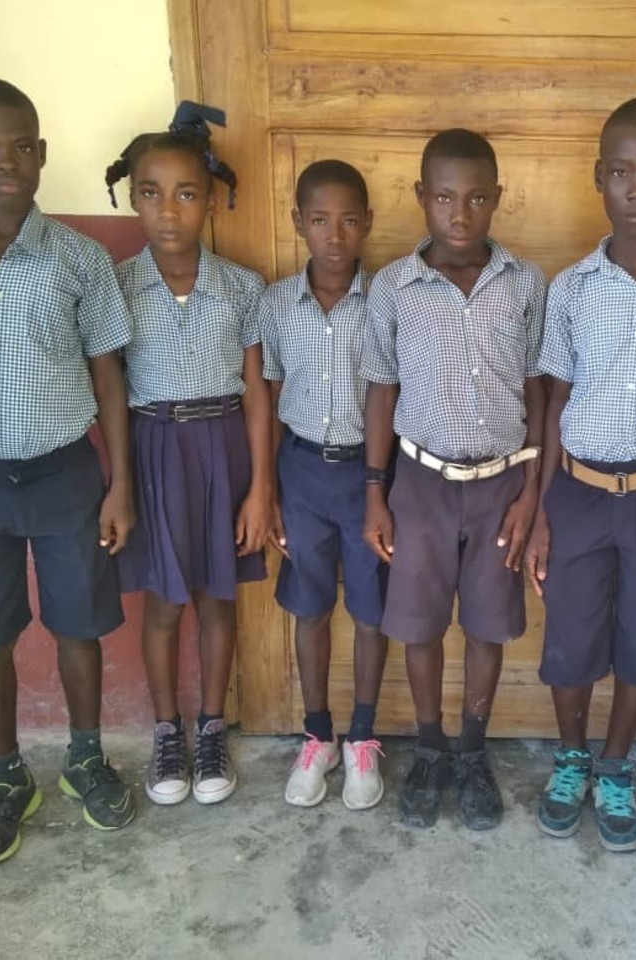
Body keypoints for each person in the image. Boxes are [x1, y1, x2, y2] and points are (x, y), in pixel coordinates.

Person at [527, 97, 636, 852]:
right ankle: (571, 755)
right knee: (569, 639)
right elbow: (552, 400)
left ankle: (617, 762)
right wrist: (537, 511)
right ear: (598, 178)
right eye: (623, 172)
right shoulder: (571, 289)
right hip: (578, 492)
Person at [362, 129, 546, 830]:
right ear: (421, 199)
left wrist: (531, 489)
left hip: (501, 484)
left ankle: (473, 750)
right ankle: (430, 748)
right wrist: (374, 491)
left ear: (497, 199)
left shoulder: (525, 284)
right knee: (418, 625)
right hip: (419, 483)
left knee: (489, 625)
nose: (460, 213)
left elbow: (535, 389)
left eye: (476, 198)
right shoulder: (394, 287)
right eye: (444, 197)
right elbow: (382, 390)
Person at [105, 102, 271, 807]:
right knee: (165, 602)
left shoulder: (242, 287)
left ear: (211, 200)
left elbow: (259, 394)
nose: (168, 211)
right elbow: (108, 384)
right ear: (131, 196)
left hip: (223, 444)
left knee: (216, 595)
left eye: (186, 194)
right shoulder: (115, 286)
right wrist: (120, 482)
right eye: (151, 193)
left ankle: (211, 730)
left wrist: (261, 487)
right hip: (151, 446)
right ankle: (167, 730)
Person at [0, 80, 136, 863]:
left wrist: (118, 482)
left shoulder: (78, 259)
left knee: (78, 622)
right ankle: (7, 772)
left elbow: (110, 378)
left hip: (65, 476)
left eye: (22, 145)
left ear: (43, 155)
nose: (7, 162)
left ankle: (84, 756)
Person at [261, 159, 388, 810]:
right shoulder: (277, 303)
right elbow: (271, 393)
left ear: (367, 224)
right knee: (309, 605)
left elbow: (395, 395)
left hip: (370, 475)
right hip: (303, 470)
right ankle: (319, 733)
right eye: (319, 220)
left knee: (370, 607)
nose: (334, 234)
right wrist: (270, 489)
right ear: (298, 225)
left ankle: (364, 736)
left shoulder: (387, 297)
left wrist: (380, 484)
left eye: (347, 220)